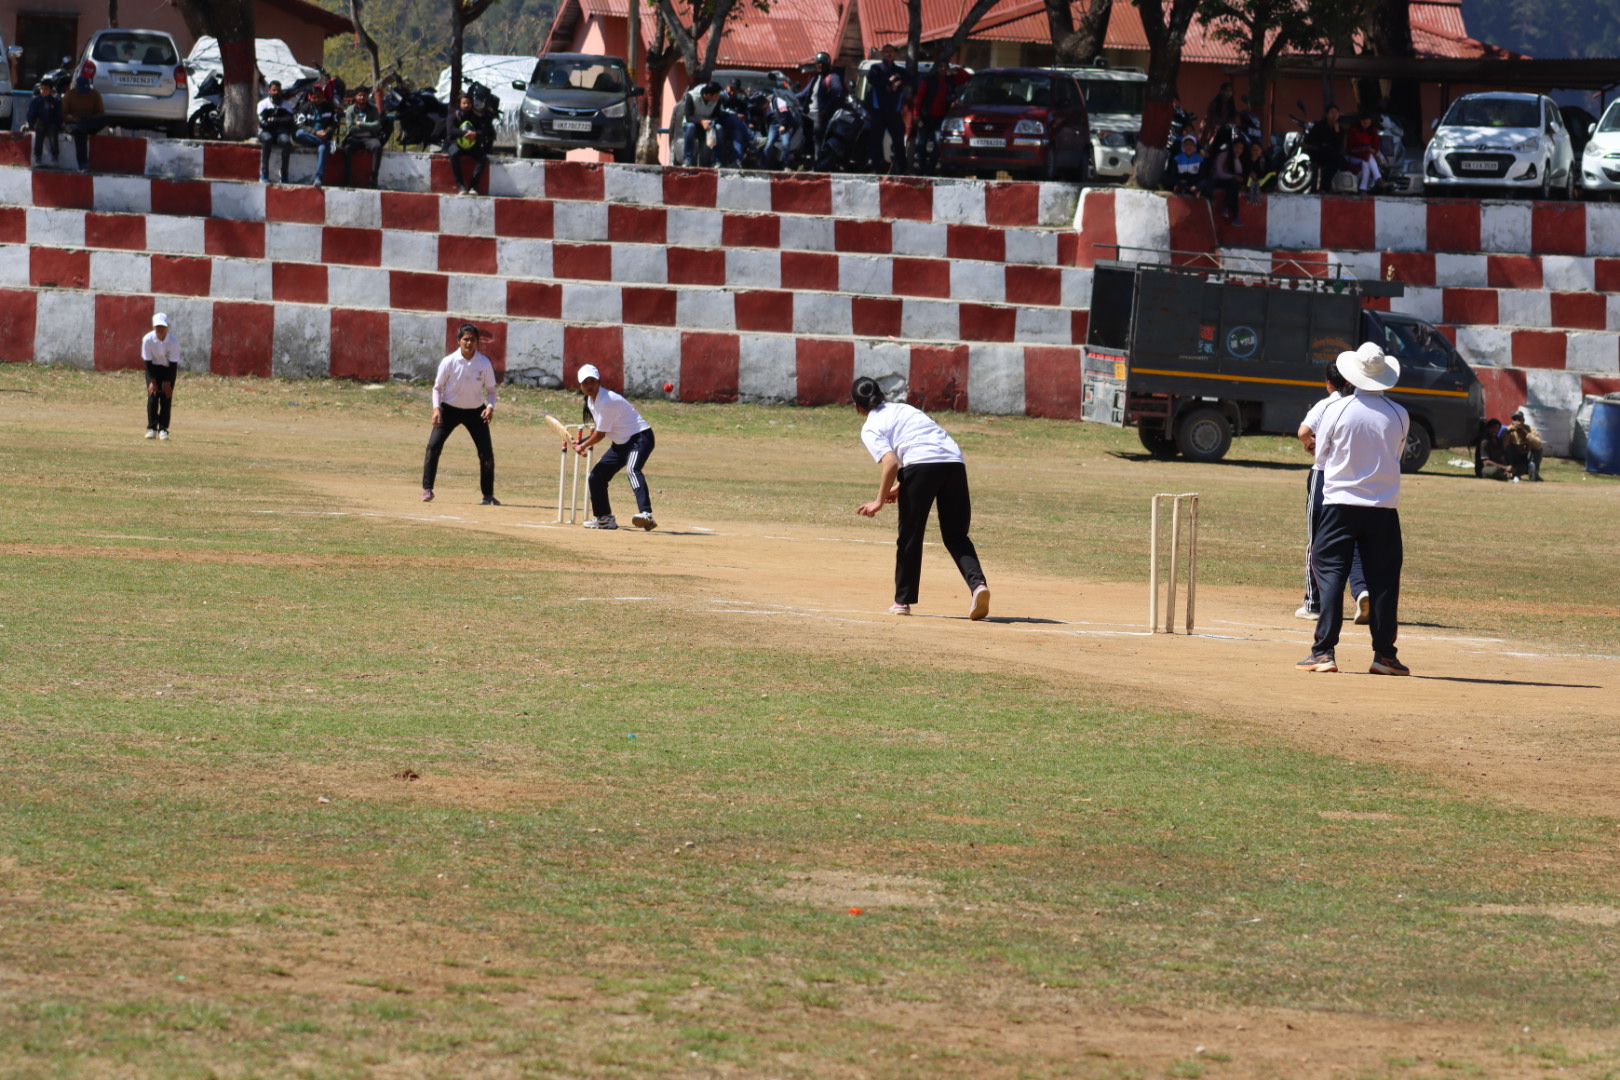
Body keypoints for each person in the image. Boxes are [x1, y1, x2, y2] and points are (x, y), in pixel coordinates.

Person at [1297, 342, 1410, 676]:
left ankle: (1323, 653)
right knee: (1384, 581)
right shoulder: (1400, 413)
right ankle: (1385, 656)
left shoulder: (1337, 409)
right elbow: (1397, 455)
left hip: (1339, 503)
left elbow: (1321, 457)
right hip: (1383, 506)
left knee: (1331, 575)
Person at [852, 376, 990, 620]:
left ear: (857, 406)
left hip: (922, 466)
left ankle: (902, 602)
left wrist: (879, 499)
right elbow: (924, 447)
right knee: (956, 535)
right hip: (954, 462)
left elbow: (891, 462)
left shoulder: (871, 426)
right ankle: (978, 585)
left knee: (910, 536)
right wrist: (901, 485)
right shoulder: (904, 409)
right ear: (881, 395)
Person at [1296, 364, 1370, 624]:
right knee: (1352, 541)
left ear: (1329, 383)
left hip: (1324, 475)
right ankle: (1362, 591)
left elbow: (1303, 433)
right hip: (1353, 479)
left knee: (1317, 540)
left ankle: (1314, 603)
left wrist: (1311, 444)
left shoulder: (1328, 404)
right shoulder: (1361, 406)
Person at [421, 324, 499, 505]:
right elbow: (437, 388)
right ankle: (427, 489)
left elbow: (491, 391)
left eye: (472, 339)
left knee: (486, 453)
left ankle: (488, 495)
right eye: (466, 339)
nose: (469, 343)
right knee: (433, 447)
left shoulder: (484, 363)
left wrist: (490, 407)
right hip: (449, 410)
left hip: (476, 411)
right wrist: (436, 408)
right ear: (459, 341)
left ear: (477, 342)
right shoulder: (449, 361)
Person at [571, 364, 656, 531]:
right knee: (596, 477)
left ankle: (646, 514)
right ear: (580, 385)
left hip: (640, 438)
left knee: (633, 469)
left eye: (592, 381)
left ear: (599, 382)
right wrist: (582, 444)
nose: (589, 385)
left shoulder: (606, 401)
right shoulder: (591, 400)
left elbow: (601, 434)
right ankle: (604, 518)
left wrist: (583, 445)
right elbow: (601, 431)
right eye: (585, 382)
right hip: (621, 444)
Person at [911, 46, 966, 175]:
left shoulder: (950, 81)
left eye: (944, 67)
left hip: (940, 119)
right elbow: (919, 99)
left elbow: (966, 76)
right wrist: (916, 114)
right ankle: (922, 169)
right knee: (922, 144)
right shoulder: (928, 81)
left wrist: (954, 70)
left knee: (938, 144)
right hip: (925, 117)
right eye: (940, 67)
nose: (942, 69)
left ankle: (931, 169)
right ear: (936, 68)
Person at [865, 43, 912, 175]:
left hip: (894, 112)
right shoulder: (876, 68)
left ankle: (903, 168)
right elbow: (872, 79)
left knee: (898, 141)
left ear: (894, 54)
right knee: (876, 141)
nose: (888, 54)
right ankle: (877, 167)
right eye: (886, 52)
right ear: (882, 54)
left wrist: (899, 82)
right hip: (878, 111)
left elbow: (910, 80)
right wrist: (889, 80)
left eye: (891, 52)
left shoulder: (900, 71)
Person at [798, 52, 845, 163]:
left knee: (818, 140)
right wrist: (788, 96)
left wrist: (825, 110)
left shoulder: (832, 77)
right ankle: (807, 161)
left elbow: (838, 93)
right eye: (817, 63)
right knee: (806, 138)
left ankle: (818, 162)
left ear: (827, 64)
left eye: (822, 63)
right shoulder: (816, 77)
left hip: (820, 115)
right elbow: (804, 94)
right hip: (809, 113)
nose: (819, 65)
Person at [142, 312, 181, 440]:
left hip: (168, 369)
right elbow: (147, 362)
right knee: (153, 396)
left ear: (167, 327)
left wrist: (168, 383)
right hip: (152, 368)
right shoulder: (147, 339)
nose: (160, 329)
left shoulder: (173, 341)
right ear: (154, 327)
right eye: (157, 326)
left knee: (166, 397)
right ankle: (152, 428)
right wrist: (152, 382)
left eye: (162, 327)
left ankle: (163, 429)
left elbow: (173, 363)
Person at [339, 85, 385, 188]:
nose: (362, 98)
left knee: (377, 147)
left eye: (364, 95)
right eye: (360, 95)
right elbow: (350, 128)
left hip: (369, 138)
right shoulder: (351, 110)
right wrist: (369, 126)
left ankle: (374, 178)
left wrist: (360, 124)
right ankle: (347, 180)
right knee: (347, 148)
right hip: (354, 138)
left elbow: (377, 126)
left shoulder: (373, 110)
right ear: (355, 97)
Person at [680, 82, 733, 167]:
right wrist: (701, 122)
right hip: (694, 123)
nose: (718, 97)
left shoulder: (717, 100)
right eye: (716, 95)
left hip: (708, 123)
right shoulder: (692, 96)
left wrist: (711, 122)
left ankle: (716, 160)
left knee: (719, 128)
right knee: (690, 127)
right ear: (708, 95)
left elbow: (717, 115)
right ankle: (687, 159)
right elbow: (688, 116)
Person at [293, 89, 337, 187]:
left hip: (324, 136)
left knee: (322, 148)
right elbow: (300, 124)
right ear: (310, 97)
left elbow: (333, 124)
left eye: (320, 97)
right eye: (315, 97)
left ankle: (318, 178)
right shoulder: (305, 108)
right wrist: (315, 132)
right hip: (310, 137)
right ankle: (327, 143)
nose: (318, 99)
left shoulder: (329, 107)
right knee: (299, 133)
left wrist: (326, 132)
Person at [448, 94, 490, 194]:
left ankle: (473, 187)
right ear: (460, 104)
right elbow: (451, 130)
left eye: (468, 103)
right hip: (456, 144)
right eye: (464, 103)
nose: (466, 105)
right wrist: (465, 134)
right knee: (454, 154)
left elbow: (483, 131)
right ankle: (460, 186)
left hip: (472, 145)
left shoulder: (476, 117)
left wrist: (475, 134)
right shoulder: (454, 116)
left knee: (482, 157)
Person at [61, 77, 105, 173]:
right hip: (74, 123)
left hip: (88, 122)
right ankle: (83, 163)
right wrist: (73, 119)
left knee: (102, 121)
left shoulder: (95, 94)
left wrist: (88, 119)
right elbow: (64, 115)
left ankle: (82, 126)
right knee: (80, 132)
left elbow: (101, 113)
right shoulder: (69, 95)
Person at [257, 81, 296, 184]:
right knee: (267, 139)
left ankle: (284, 174)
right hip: (265, 132)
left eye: (278, 90)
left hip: (280, 133)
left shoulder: (287, 105)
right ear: (269, 91)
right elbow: (262, 123)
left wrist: (273, 120)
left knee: (286, 142)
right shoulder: (263, 104)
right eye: (274, 90)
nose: (276, 92)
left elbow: (290, 121)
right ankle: (264, 173)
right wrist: (280, 120)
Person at [1304, 105, 1348, 192]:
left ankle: (1324, 188)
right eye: (1332, 113)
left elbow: (1339, 146)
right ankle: (1344, 165)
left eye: (1336, 113)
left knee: (1333, 164)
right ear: (1326, 114)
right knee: (1329, 149)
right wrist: (1321, 146)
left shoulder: (1339, 129)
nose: (1334, 115)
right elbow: (1308, 141)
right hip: (1318, 153)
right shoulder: (1319, 126)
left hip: (1331, 155)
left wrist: (1337, 132)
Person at [1205, 137, 1245, 225]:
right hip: (1217, 180)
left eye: (1241, 148)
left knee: (1234, 186)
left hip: (1230, 182)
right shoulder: (1223, 155)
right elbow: (1219, 173)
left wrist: (1236, 158)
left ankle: (1231, 213)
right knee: (1233, 183)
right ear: (1232, 147)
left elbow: (1239, 172)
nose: (1238, 150)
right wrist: (1233, 176)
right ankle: (1232, 213)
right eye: (1236, 147)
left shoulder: (1237, 158)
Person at [23, 81, 63, 168]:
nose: (43, 91)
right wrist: (31, 125)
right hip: (39, 124)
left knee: (53, 132)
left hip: (51, 125)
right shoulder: (36, 101)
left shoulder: (55, 102)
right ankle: (38, 157)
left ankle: (54, 157)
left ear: (51, 90)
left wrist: (57, 125)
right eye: (42, 89)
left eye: (46, 89)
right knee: (39, 131)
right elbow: (31, 114)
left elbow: (58, 116)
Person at [1345, 113, 1384, 192]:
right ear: (1360, 121)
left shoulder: (1372, 130)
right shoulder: (1354, 130)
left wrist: (1368, 149)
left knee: (1366, 160)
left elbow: (1376, 148)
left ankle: (1363, 188)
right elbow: (1350, 148)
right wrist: (1361, 149)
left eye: (1368, 123)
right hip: (1355, 156)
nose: (1366, 125)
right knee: (1367, 157)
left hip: (1367, 156)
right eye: (1364, 123)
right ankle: (1379, 178)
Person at [1502, 410, 1543, 481]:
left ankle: (1534, 472)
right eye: (1515, 420)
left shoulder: (1530, 429)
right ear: (1512, 421)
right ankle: (1513, 471)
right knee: (1508, 449)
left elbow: (1539, 444)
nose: (1517, 422)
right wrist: (1508, 434)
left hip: (1528, 456)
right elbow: (1504, 447)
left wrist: (1525, 433)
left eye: (1519, 419)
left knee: (1538, 449)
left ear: (1523, 420)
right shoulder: (1508, 430)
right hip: (1516, 458)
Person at [1241, 137, 1273, 203]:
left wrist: (1258, 177)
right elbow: (1245, 170)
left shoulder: (1266, 159)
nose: (1255, 152)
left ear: (1261, 150)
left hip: (1262, 180)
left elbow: (1268, 171)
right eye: (1253, 150)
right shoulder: (1247, 158)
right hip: (1250, 180)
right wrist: (1252, 161)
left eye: (1257, 150)